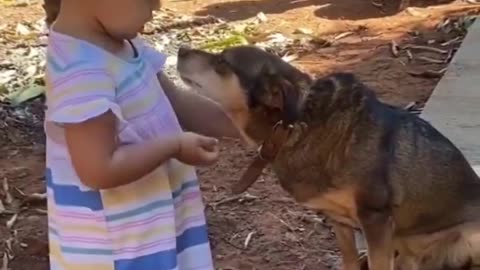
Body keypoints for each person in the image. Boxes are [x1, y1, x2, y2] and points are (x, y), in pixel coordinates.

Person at [43, 0, 240, 269]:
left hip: (150, 229)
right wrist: (174, 146)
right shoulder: (81, 73)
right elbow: (98, 169)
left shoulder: (122, 46)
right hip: (118, 249)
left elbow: (177, 103)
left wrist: (246, 124)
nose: (157, 6)